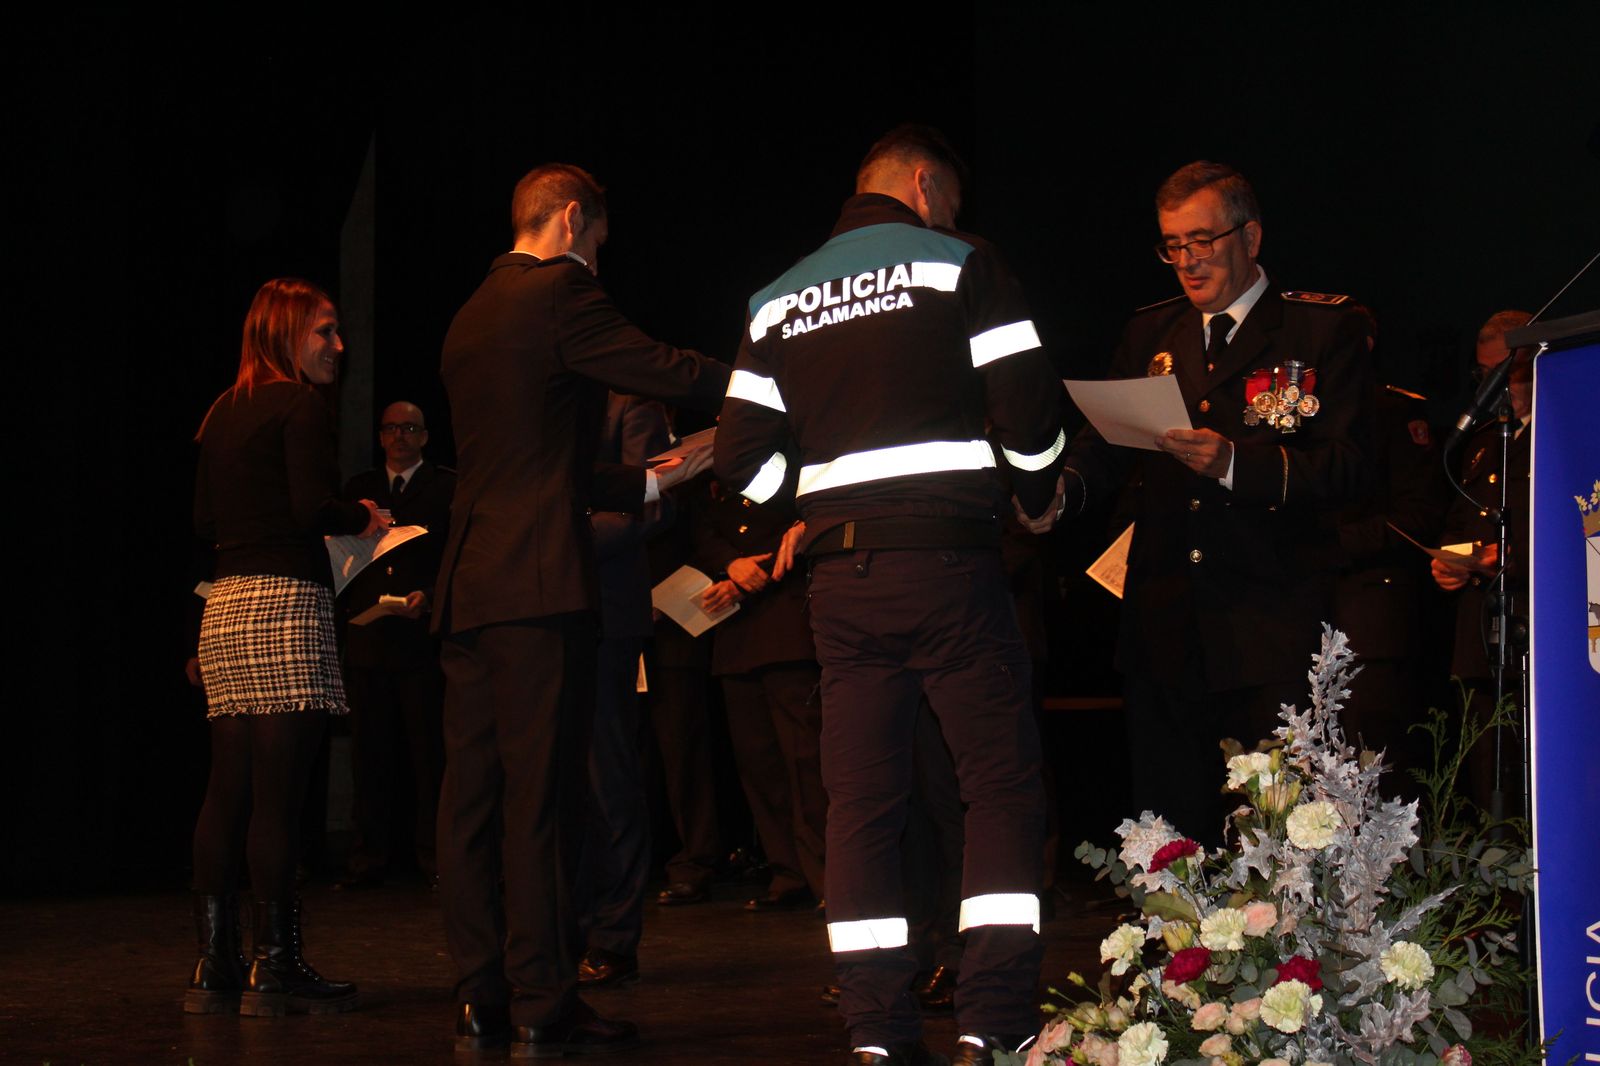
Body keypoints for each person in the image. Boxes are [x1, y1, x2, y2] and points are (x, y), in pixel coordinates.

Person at [716, 125, 1065, 1066]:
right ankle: (992, 1020)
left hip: (842, 586)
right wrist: (1039, 496)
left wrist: (811, 502)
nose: (953, 216)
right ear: (923, 186)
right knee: (996, 790)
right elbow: (1030, 413)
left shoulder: (778, 297)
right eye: (950, 199)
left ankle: (875, 1030)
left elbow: (738, 460)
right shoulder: (964, 262)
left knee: (862, 805)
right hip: (951, 567)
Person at [432, 163, 729, 1056]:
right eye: (598, 242)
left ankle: (480, 996)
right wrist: (768, 384)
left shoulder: (469, 314)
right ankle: (541, 1002)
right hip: (535, 583)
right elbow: (661, 367)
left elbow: (523, 463)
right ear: (570, 221)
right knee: (542, 802)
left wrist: (648, 476)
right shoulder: (559, 290)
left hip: (469, 584)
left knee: (471, 803)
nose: (598, 260)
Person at [1052, 161, 1372, 839]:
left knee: (1281, 830)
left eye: (1203, 241)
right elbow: (1105, 445)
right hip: (1164, 621)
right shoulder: (1151, 334)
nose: (1187, 262)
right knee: (1170, 833)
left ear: (1250, 238)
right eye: (1173, 245)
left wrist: (1236, 465)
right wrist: (1062, 492)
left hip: (1270, 622)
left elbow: (1349, 468)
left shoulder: (1319, 331)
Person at [189, 277, 385, 1016]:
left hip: (226, 606)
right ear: (285, 334)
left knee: (226, 789)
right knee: (279, 796)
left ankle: (214, 964)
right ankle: (274, 965)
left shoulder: (220, 411)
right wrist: (360, 515)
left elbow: (205, 519)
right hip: (283, 602)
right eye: (324, 332)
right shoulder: (299, 404)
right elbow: (311, 508)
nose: (338, 346)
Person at [334, 401, 455, 890]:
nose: (399, 437)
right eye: (390, 429)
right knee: (370, 753)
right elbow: (342, 554)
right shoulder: (360, 490)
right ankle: (370, 857)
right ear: (380, 436)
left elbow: (453, 552)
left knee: (429, 753)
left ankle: (434, 858)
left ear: (424, 436)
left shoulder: (446, 485)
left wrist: (430, 594)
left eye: (409, 428)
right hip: (369, 635)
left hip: (420, 639)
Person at [1430, 310, 1533, 816]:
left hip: (1535, 633)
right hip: (1479, 638)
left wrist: (1515, 557)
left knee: (1533, 774)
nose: (1492, 388)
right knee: (1483, 765)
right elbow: (1457, 525)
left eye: (1504, 373)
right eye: (1483, 375)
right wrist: (1447, 563)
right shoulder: (1484, 443)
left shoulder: (1565, 435)